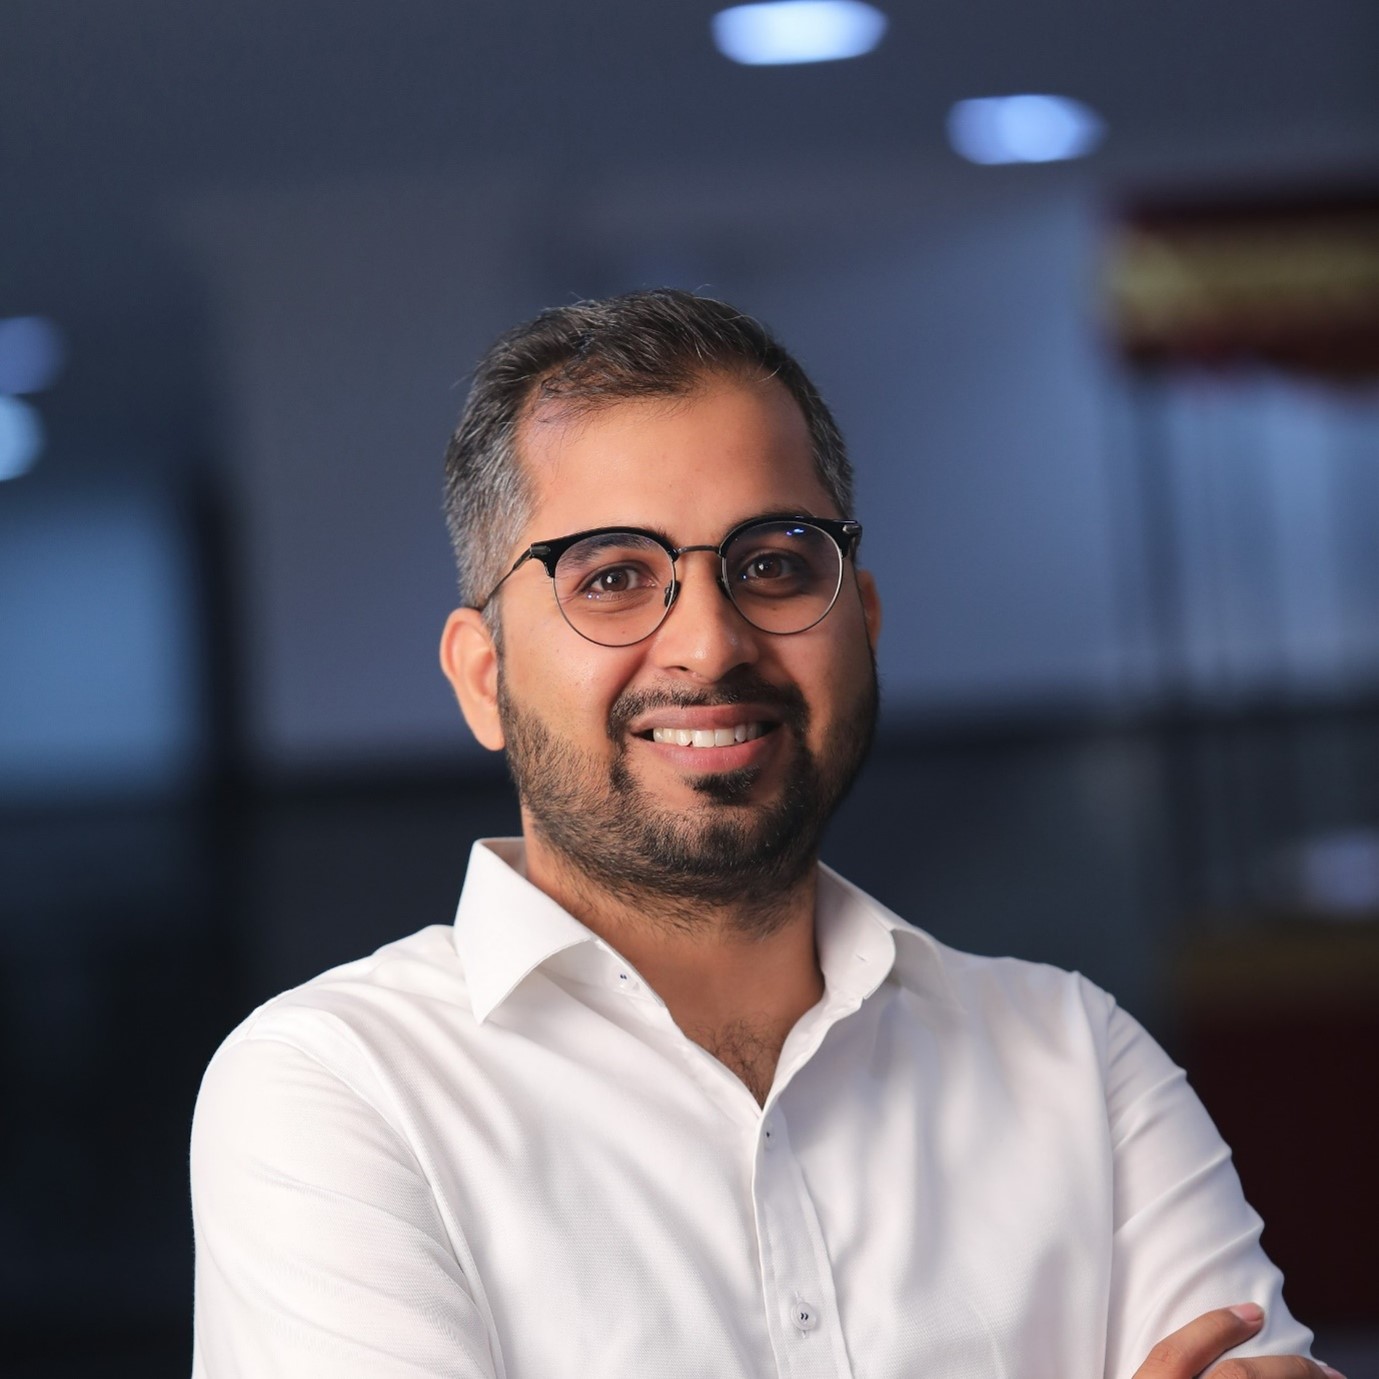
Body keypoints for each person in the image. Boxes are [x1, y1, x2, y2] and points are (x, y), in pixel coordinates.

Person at [190, 289, 1336, 1378]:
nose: (709, 642)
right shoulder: (337, 1087)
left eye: (774, 563)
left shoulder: (1077, 1060)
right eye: (612, 575)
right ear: (483, 676)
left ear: (861, 621)